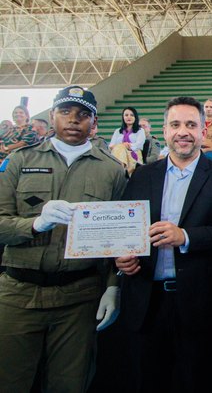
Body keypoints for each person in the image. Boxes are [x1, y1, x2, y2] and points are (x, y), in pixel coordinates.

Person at [0, 85, 127, 392]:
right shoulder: (19, 161)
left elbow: (121, 239)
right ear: (52, 116)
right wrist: (35, 224)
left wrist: (113, 286)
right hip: (18, 294)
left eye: (83, 114)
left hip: (78, 298)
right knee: (10, 381)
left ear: (93, 123)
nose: (74, 120)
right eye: (66, 112)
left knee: (69, 384)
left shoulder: (112, 171)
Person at [115, 96, 212, 393]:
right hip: (146, 303)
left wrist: (185, 236)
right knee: (147, 381)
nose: (183, 131)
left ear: (202, 131)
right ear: (164, 130)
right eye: (175, 124)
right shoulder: (142, 175)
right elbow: (125, 227)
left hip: (198, 304)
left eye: (191, 124)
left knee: (196, 381)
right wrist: (120, 258)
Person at [109, 106, 146, 175]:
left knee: (121, 147)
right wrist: (122, 146)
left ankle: (120, 173)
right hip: (118, 153)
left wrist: (127, 146)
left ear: (135, 117)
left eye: (131, 115)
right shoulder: (117, 131)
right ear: (123, 117)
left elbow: (139, 145)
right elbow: (111, 146)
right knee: (120, 148)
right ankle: (122, 170)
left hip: (134, 155)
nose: (129, 117)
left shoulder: (140, 131)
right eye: (126, 115)